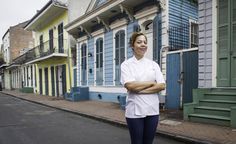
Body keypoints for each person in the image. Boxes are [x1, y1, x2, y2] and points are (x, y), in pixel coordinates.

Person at [120, 32, 165, 144]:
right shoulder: (126, 65)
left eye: (145, 42)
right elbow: (130, 86)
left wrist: (139, 89)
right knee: (137, 142)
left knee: (148, 142)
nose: (143, 44)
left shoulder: (154, 65)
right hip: (134, 111)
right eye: (139, 42)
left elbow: (162, 85)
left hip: (152, 110)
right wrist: (151, 83)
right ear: (132, 45)